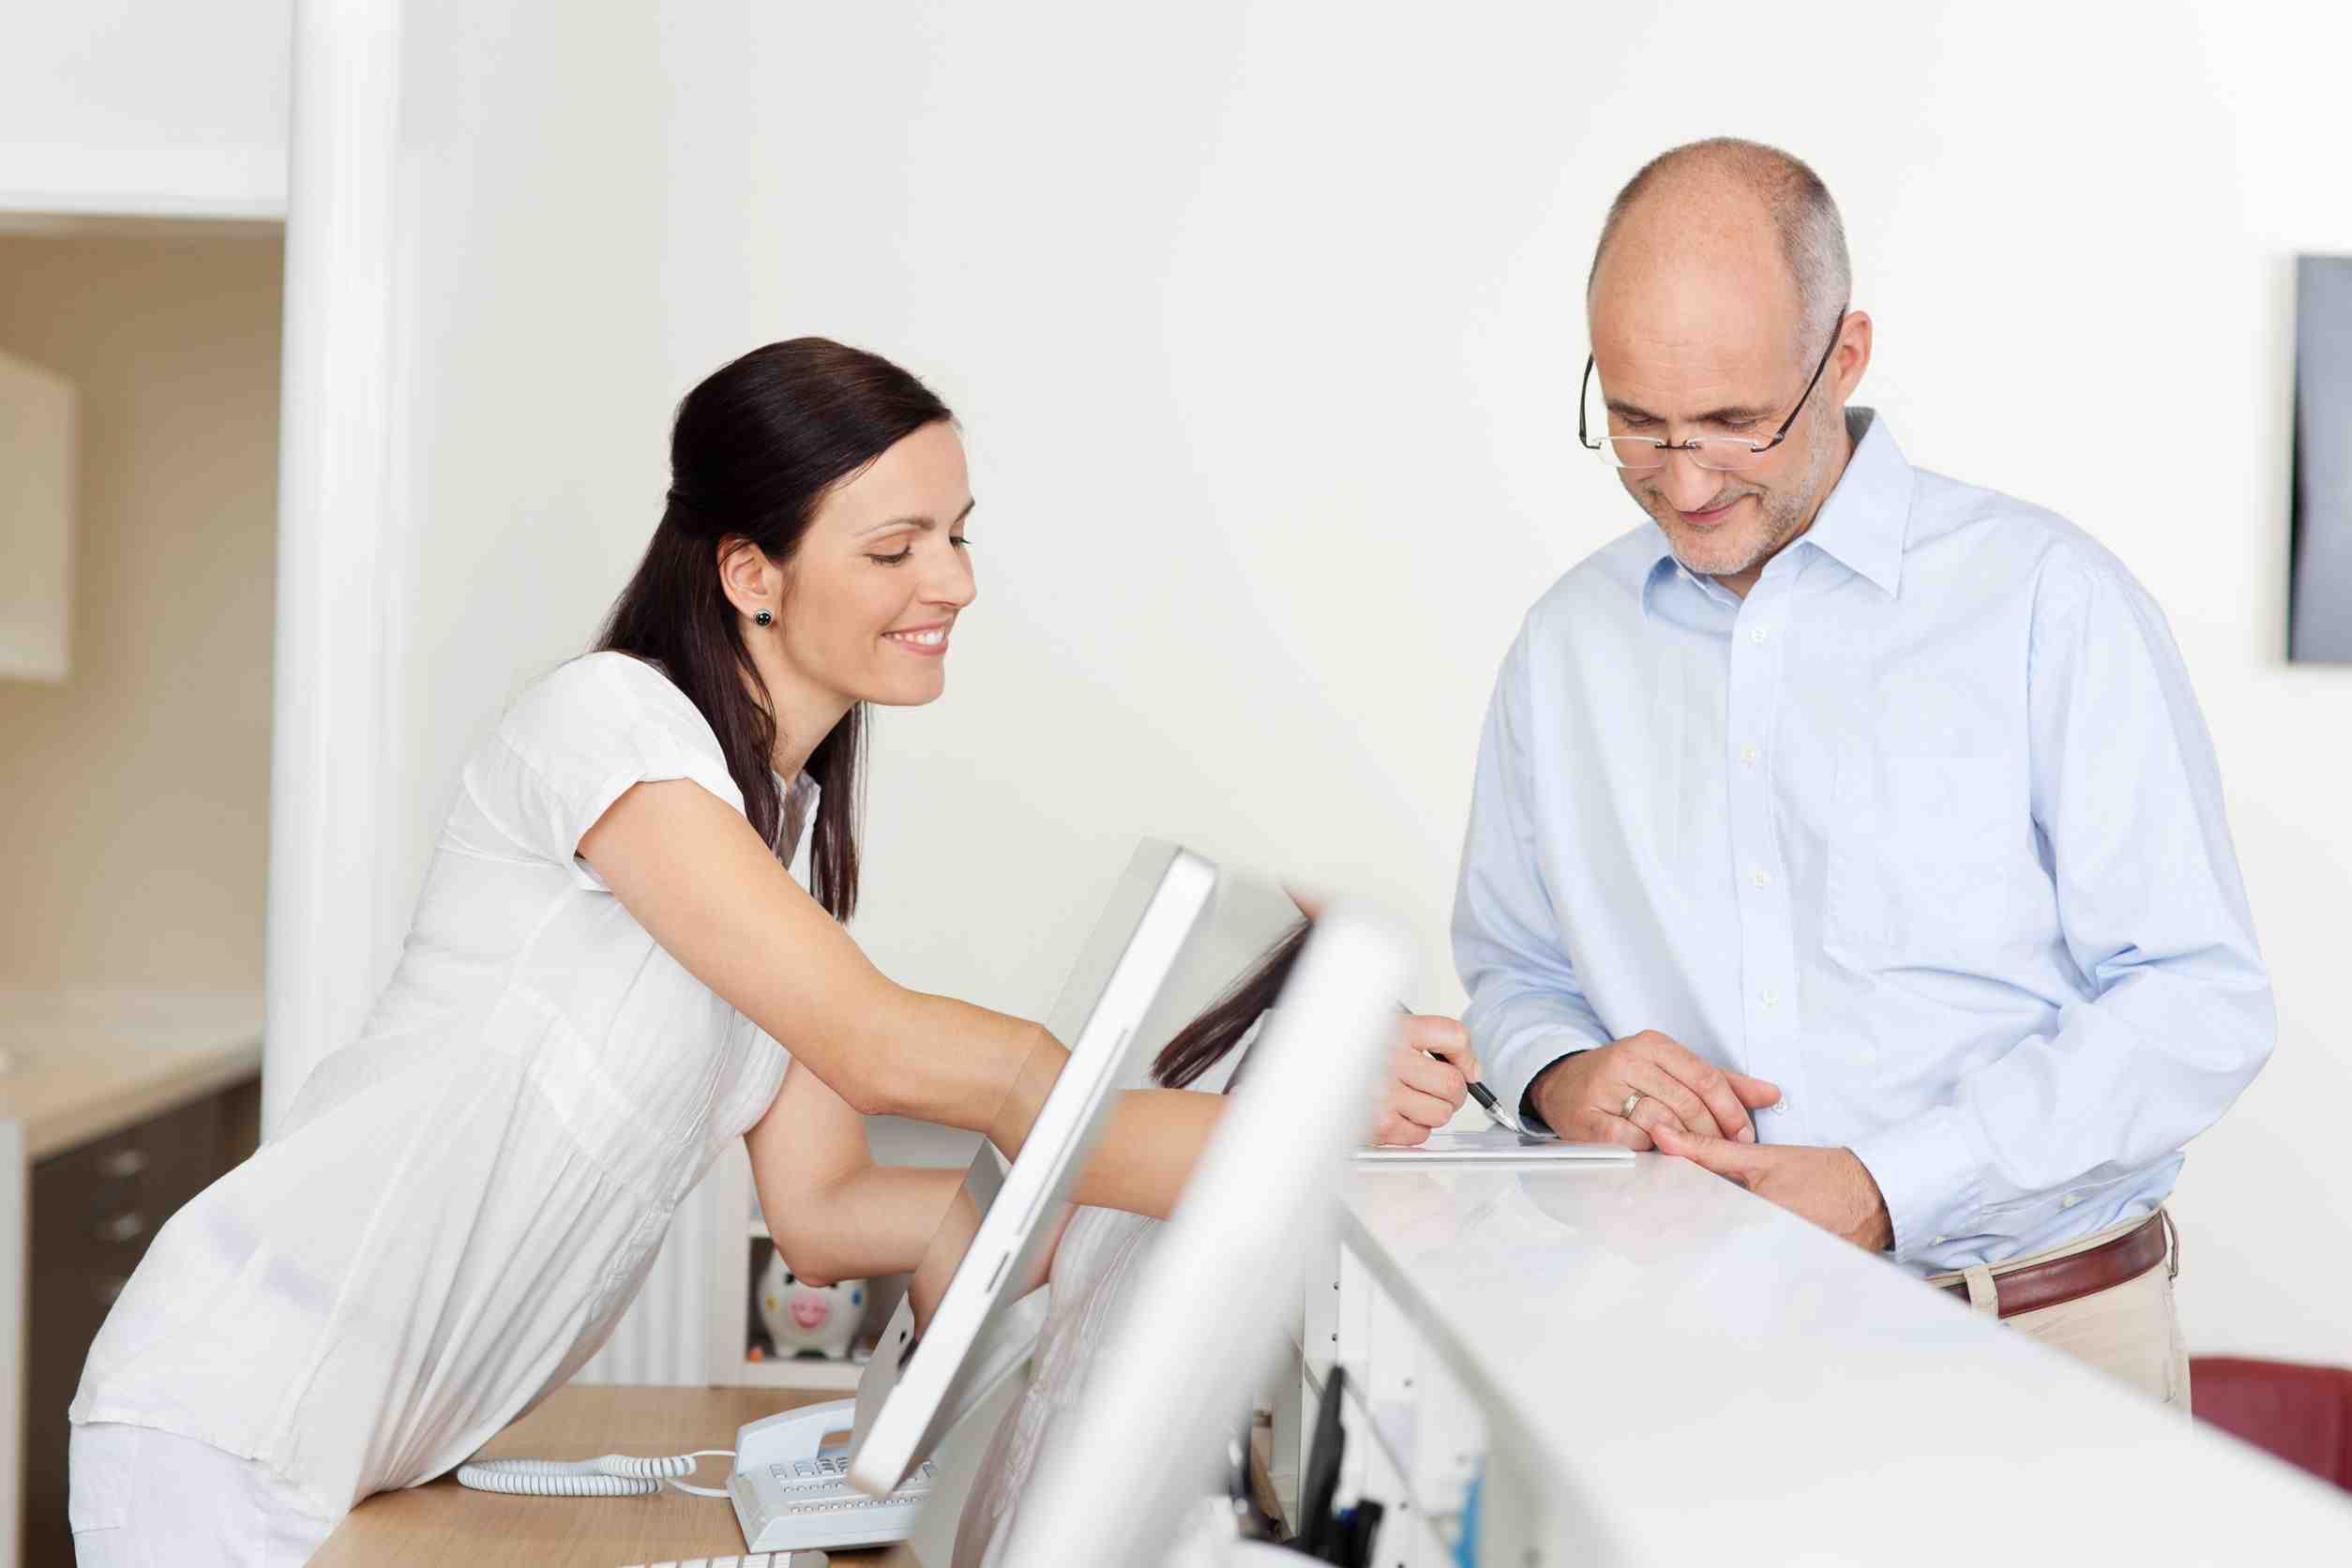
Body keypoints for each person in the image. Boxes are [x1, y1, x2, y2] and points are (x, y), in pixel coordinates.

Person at [66, 338, 1475, 1567]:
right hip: (234, 1411)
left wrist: (1186, 1177)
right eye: (895, 548)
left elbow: (834, 1206)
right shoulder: (610, 731)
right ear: (750, 572)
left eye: (958, 535)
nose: (953, 580)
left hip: (367, 1440)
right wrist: (1299, 1116)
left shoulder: (779, 844)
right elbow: (889, 1049)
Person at [1452, 139, 2270, 1410]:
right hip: (1685, 1351)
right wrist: (1561, 1076)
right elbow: (1513, 970)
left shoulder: (2047, 601)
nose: (1683, 479)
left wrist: (1891, 1185)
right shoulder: (1566, 644)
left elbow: (2196, 1002)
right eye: (1636, 423)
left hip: (2033, 1351)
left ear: (1844, 356)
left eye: (1734, 425)